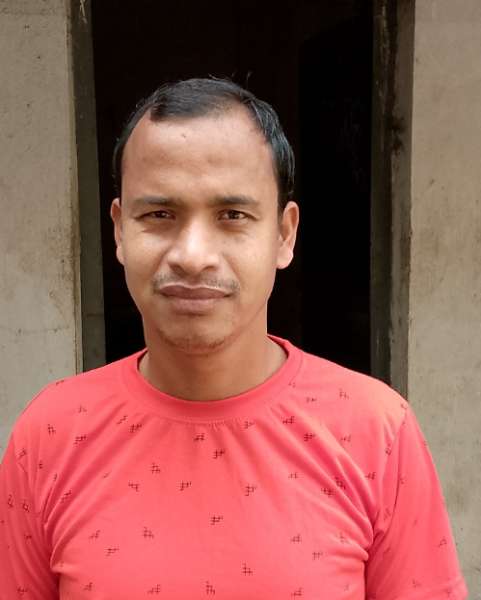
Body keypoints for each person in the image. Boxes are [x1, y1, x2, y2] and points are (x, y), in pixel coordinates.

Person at [0, 78, 467, 599]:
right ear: (119, 231)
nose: (193, 255)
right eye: (159, 215)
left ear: (284, 234)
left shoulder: (376, 431)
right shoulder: (51, 435)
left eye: (232, 216)